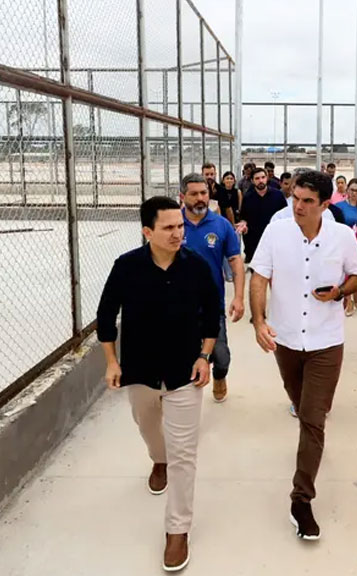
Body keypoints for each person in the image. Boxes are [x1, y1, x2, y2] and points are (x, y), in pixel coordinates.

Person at [96, 195, 220, 572]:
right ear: (147, 232)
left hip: (185, 374)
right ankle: (157, 458)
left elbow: (211, 314)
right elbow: (106, 315)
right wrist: (112, 362)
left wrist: (204, 356)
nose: (177, 233)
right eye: (168, 228)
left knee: (185, 454)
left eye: (180, 226)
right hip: (140, 372)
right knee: (148, 427)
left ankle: (177, 530)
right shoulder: (127, 267)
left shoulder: (196, 267)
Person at [249, 169, 357, 541]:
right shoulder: (276, 231)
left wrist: (339, 292)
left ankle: (301, 500)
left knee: (314, 418)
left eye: (307, 201)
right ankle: (310, 443)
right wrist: (258, 321)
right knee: (301, 407)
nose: (298, 206)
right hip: (285, 340)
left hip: (326, 342)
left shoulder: (342, 236)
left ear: (325, 204)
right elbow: (259, 277)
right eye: (295, 199)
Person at [181, 173, 246, 403]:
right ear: (182, 196)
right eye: (194, 194)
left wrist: (239, 297)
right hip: (180, 305)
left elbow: (235, 261)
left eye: (204, 193)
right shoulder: (173, 224)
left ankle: (220, 375)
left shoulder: (221, 225)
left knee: (221, 355)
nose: (200, 198)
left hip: (212, 304)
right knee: (182, 355)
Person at [334, 177, 357, 316]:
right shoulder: (339, 206)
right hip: (346, 237)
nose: (354, 193)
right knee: (347, 267)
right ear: (347, 190)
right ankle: (348, 299)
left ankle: (356, 291)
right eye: (351, 190)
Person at [239, 167, 286, 263]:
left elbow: (284, 216)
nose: (260, 181)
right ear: (252, 181)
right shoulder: (248, 197)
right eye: (257, 178)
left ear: (267, 178)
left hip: (274, 240)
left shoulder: (278, 195)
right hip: (254, 243)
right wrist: (243, 224)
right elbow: (244, 217)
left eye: (263, 177)